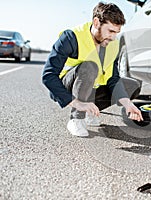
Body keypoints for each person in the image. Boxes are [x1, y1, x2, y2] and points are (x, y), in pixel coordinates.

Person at [42, 2, 143, 137]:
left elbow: (113, 79)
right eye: (111, 31)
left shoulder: (113, 45)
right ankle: (77, 118)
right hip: (67, 87)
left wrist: (127, 104)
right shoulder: (71, 38)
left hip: (92, 88)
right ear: (96, 23)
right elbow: (48, 75)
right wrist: (77, 104)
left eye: (117, 32)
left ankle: (91, 111)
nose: (113, 37)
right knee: (89, 66)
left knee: (133, 85)